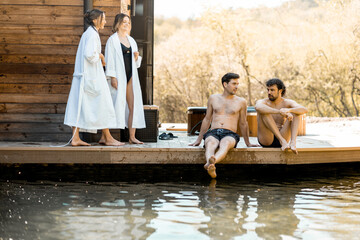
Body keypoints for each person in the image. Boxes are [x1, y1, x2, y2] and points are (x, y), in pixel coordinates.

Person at [64, 9, 124, 146]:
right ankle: (107, 138)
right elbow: (89, 55)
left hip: (87, 77)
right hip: (91, 78)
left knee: (79, 105)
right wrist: (101, 56)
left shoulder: (89, 33)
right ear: (95, 20)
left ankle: (76, 138)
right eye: (103, 19)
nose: (105, 21)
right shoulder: (91, 35)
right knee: (103, 104)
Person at [189, 73, 259, 178]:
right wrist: (198, 140)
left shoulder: (241, 102)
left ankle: (211, 163)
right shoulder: (213, 98)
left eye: (237, 84)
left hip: (230, 134)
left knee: (225, 143)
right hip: (213, 131)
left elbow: (243, 123)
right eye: (234, 83)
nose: (236, 86)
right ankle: (210, 164)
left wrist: (248, 143)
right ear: (225, 84)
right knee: (211, 143)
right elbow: (207, 119)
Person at [104, 13, 146, 144]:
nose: (126, 24)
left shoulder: (131, 40)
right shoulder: (112, 40)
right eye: (124, 22)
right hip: (118, 76)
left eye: (128, 22)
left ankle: (132, 137)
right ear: (117, 24)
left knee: (133, 106)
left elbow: (133, 62)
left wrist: (136, 58)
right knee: (112, 105)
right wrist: (112, 77)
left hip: (131, 76)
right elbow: (109, 59)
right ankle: (104, 136)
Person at [255, 78, 308, 154]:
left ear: (280, 91)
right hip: (266, 139)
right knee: (264, 111)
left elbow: (304, 109)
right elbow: (258, 107)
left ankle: (293, 143)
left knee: (296, 112)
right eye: (268, 90)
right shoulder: (263, 102)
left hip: (283, 136)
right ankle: (282, 140)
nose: (269, 92)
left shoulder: (287, 102)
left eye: (272, 90)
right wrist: (279, 112)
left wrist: (289, 110)